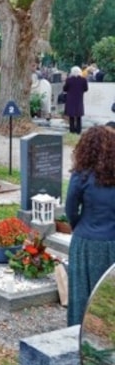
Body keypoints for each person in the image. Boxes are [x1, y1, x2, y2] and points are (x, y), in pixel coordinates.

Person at [65, 126, 115, 326]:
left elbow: (70, 208)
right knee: (108, 296)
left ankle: (78, 332)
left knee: (81, 292)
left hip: (85, 241)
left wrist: (79, 226)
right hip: (112, 241)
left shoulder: (82, 175)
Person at [63, 66, 88, 134]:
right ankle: (78, 130)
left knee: (71, 116)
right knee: (79, 116)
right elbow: (86, 89)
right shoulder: (83, 80)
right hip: (79, 99)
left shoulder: (69, 79)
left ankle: (72, 130)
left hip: (70, 99)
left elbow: (65, 89)